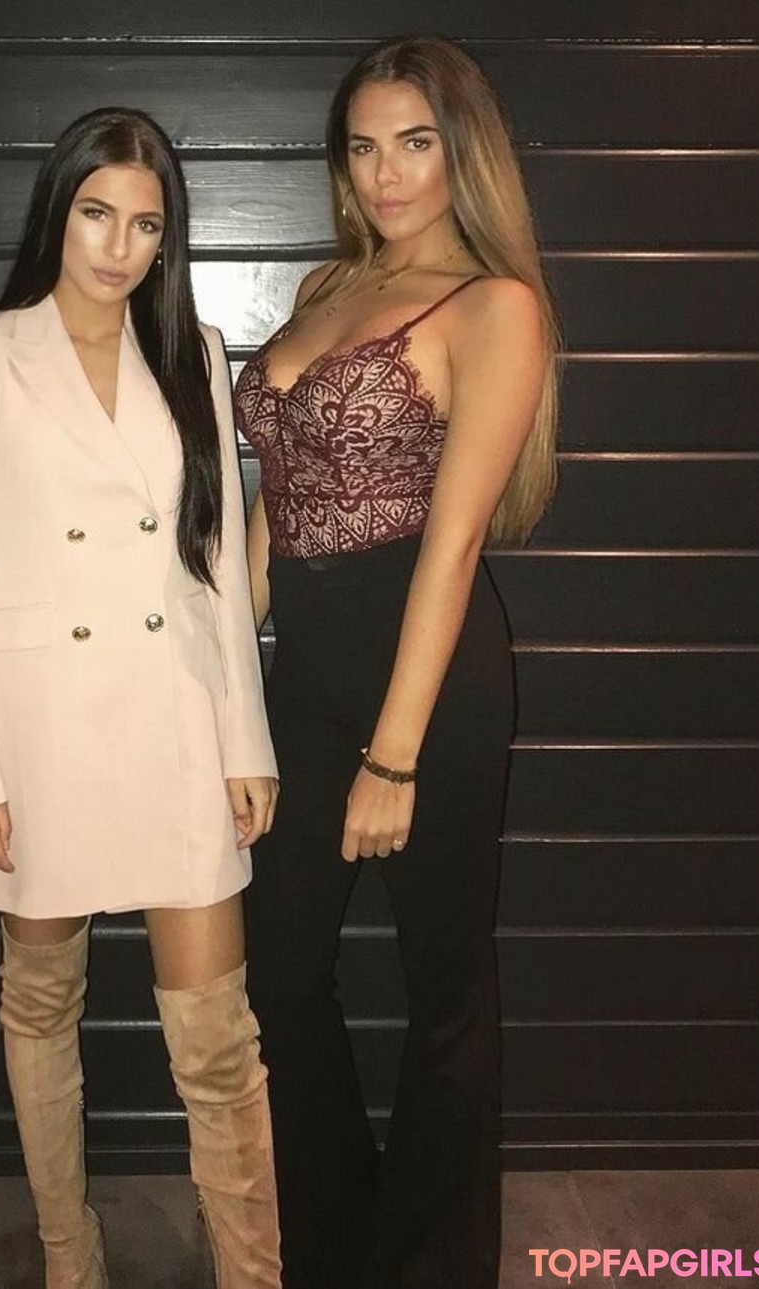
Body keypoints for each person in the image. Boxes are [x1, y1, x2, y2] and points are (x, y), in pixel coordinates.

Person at [0, 106, 282, 1289]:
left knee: (219, 1038)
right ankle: (69, 1257)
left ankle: (253, 1270)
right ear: (57, 211)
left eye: (146, 225)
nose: (119, 246)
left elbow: (213, 559)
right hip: (42, 734)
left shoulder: (191, 352)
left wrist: (247, 738)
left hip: (176, 717)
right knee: (41, 1004)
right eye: (96, 214)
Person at [235, 36, 559, 1289]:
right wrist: (224, 670)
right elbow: (276, 501)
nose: (386, 173)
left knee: (446, 987)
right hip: (307, 670)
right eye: (364, 146)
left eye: (415, 143)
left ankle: (431, 1263)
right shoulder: (331, 285)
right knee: (279, 969)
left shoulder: (494, 305)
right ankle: (337, 1238)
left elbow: (454, 538)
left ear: (463, 152)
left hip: (427, 673)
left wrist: (395, 755)